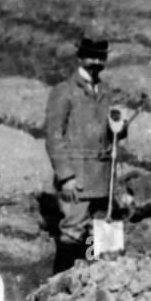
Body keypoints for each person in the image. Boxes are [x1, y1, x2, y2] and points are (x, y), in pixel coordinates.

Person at [44, 37, 133, 273]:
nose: (96, 61)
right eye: (91, 56)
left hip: (103, 177)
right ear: (80, 58)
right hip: (78, 179)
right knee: (73, 231)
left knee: (104, 233)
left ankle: (99, 286)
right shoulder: (64, 91)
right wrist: (65, 176)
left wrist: (121, 128)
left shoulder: (106, 92)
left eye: (101, 57)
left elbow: (113, 131)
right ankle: (59, 290)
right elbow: (54, 137)